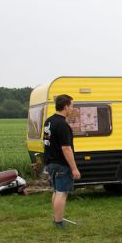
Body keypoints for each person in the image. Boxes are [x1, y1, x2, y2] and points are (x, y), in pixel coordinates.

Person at [43, 94, 81, 230]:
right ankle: (59, 222)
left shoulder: (48, 121)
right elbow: (66, 148)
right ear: (66, 107)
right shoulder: (63, 125)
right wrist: (74, 168)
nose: (72, 109)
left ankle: (56, 218)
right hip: (61, 164)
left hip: (50, 162)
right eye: (72, 106)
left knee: (56, 191)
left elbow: (46, 142)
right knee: (62, 193)